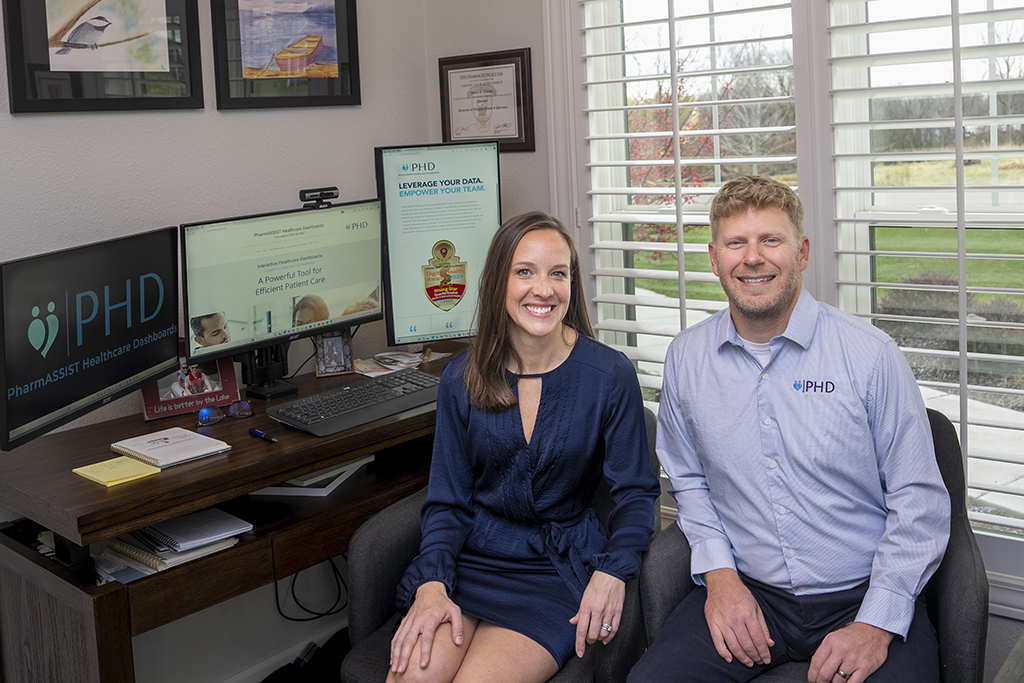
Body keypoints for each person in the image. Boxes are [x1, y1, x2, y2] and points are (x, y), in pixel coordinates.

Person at [630, 176, 950, 683]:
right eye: (736, 243)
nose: (752, 258)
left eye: (770, 240)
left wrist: (875, 624)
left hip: (861, 593)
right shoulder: (686, 359)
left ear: (801, 252)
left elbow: (920, 500)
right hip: (750, 591)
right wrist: (720, 578)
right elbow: (689, 483)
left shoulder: (869, 357)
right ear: (715, 260)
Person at [388, 212, 660, 683]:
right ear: (498, 283)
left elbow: (636, 496)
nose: (544, 288)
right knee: (411, 676)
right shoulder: (460, 378)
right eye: (525, 272)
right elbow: (447, 501)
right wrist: (433, 583)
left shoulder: (609, 375)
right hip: (471, 561)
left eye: (558, 273)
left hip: (554, 571)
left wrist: (613, 571)